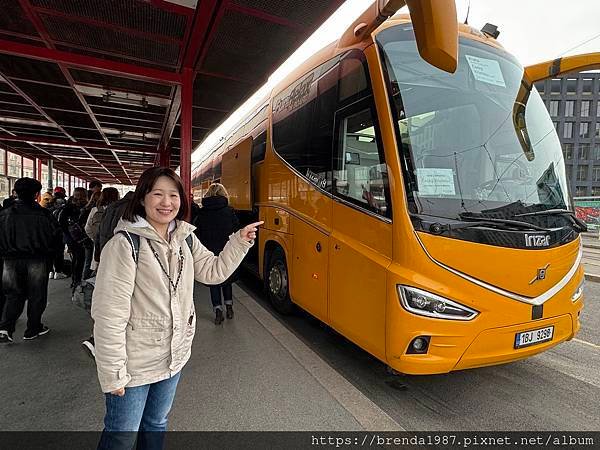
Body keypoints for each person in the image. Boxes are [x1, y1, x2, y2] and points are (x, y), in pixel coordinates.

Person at [91, 167, 261, 448]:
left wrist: (238, 243)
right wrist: (112, 373)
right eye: (157, 194)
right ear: (143, 198)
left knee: (156, 424)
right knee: (122, 434)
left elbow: (213, 271)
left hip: (173, 357)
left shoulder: (185, 238)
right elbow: (109, 315)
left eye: (173, 195)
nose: (166, 202)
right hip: (133, 362)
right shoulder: (124, 245)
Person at [0, 178, 63, 343]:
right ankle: (32, 329)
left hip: (10, 261)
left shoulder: (5, 214)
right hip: (37, 259)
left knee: (12, 295)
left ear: (16, 192)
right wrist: (53, 258)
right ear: (36, 194)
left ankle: (5, 328)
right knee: (37, 295)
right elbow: (56, 238)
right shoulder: (44, 214)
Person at [194, 183, 241, 324]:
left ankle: (218, 310)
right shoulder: (229, 211)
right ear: (223, 194)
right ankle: (229, 306)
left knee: (214, 280)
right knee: (226, 278)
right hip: (225, 250)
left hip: (209, 251)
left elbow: (197, 233)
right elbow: (236, 230)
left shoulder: (202, 213)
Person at [81, 187, 119, 359]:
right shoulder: (123, 210)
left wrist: (96, 250)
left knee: (104, 298)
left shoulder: (98, 211)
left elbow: (88, 229)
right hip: (118, 259)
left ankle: (97, 336)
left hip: (102, 256)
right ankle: (102, 340)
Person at [58, 187, 88, 287]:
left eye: (81, 198)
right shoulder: (67, 209)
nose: (78, 200)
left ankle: (77, 280)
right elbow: (62, 224)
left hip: (78, 238)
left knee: (79, 259)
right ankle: (76, 280)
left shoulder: (86, 208)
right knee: (79, 259)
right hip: (74, 239)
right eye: (76, 198)